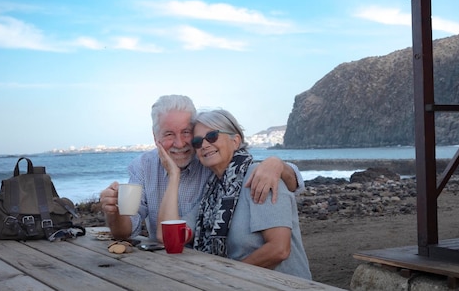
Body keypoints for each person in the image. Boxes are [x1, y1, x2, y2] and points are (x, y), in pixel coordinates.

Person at [100, 95, 303, 241]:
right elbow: (126, 232)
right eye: (169, 134)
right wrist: (114, 213)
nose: (180, 143)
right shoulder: (144, 167)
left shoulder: (210, 160)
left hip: (212, 265)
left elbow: (285, 181)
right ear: (155, 138)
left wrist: (277, 163)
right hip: (166, 264)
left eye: (186, 132)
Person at [157, 108, 311, 279]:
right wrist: (173, 175)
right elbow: (168, 237)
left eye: (212, 136)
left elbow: (279, 250)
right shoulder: (211, 193)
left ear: (235, 141)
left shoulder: (260, 176)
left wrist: (225, 275)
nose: (205, 145)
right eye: (198, 141)